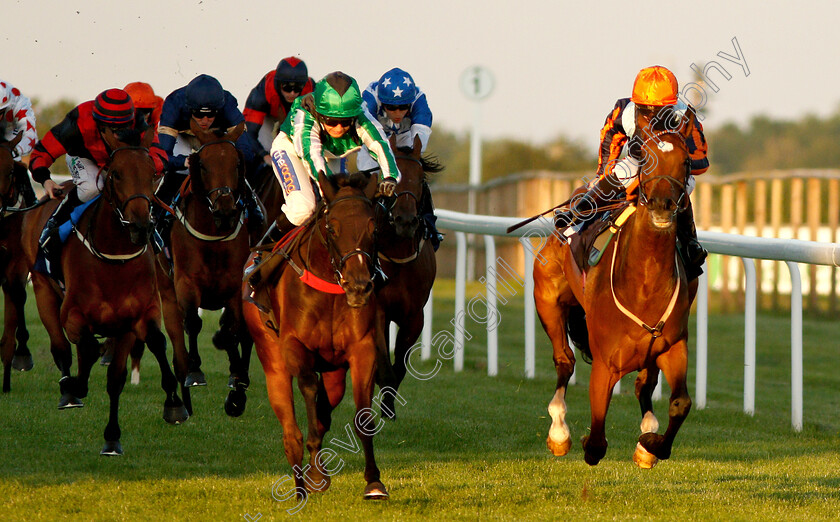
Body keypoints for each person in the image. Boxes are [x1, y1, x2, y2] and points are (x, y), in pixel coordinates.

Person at [553, 65, 709, 276]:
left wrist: (672, 160)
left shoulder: (684, 115)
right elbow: (610, 140)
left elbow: (701, 159)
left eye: (658, 111)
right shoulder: (624, 110)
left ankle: (691, 243)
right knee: (620, 173)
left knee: (685, 185)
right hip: (639, 161)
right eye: (645, 110)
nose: (651, 115)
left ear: (671, 106)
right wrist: (603, 174)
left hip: (672, 170)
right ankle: (578, 215)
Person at [30, 88, 168, 269]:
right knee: (93, 188)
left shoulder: (136, 120)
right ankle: (56, 222)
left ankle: (148, 226)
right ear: (100, 125)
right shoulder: (78, 122)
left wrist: (145, 167)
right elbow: (42, 152)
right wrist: (45, 180)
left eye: (124, 128)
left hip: (118, 159)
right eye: (114, 130)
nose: (119, 134)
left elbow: (159, 155)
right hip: (83, 157)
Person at [264, 71, 400, 243]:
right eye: (330, 120)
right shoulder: (304, 116)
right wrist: (330, 190)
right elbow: (312, 157)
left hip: (330, 154)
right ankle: (263, 253)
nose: (338, 128)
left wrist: (390, 177)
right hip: (291, 150)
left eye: (345, 121)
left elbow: (380, 144)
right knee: (303, 209)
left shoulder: (361, 115)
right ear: (320, 114)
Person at [154, 74, 264, 229]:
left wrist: (228, 162)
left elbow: (246, 152)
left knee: (232, 168)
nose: (204, 120)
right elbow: (162, 156)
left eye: (210, 114)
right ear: (189, 108)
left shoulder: (228, 104)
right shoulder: (174, 103)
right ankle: (157, 217)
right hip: (183, 138)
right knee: (174, 174)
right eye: (198, 114)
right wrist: (184, 161)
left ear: (219, 110)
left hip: (216, 141)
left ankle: (253, 209)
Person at [360, 67, 441, 248]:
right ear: (382, 102)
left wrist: (407, 166)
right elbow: (372, 137)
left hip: (405, 137)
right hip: (374, 137)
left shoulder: (419, 100)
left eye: (403, 107)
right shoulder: (369, 99)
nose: (397, 113)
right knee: (367, 179)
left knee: (413, 174)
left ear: (410, 103)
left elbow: (420, 139)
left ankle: (429, 225)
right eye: (391, 108)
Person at [243, 57, 315, 168]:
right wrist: (264, 155)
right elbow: (248, 133)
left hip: (298, 117)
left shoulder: (311, 91)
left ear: (304, 85)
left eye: (297, 88)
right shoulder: (263, 93)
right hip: (269, 116)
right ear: (278, 84)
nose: (292, 93)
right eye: (287, 88)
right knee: (266, 146)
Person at [0, 79, 38, 205]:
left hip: (11, 132)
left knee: (11, 161)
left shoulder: (19, 103)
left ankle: (31, 202)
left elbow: (30, 136)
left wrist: (15, 150)